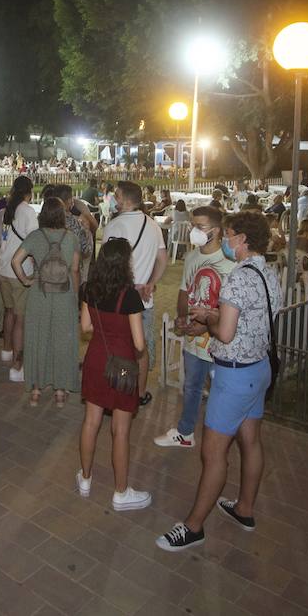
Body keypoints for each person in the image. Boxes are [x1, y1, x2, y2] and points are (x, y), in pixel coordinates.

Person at [157, 211, 280, 552]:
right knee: (251, 441)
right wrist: (216, 314)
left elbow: (225, 333)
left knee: (214, 454)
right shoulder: (268, 273)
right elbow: (251, 319)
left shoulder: (239, 277)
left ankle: (193, 526)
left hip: (234, 374)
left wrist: (209, 322)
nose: (224, 240)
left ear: (241, 239)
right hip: (259, 369)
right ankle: (245, 508)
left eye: (228, 235)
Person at [77, 239, 150, 510]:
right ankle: (121, 492)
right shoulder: (129, 296)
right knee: (120, 430)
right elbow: (140, 344)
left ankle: (85, 478)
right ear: (124, 263)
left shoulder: (89, 289)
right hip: (122, 365)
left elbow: (85, 327)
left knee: (90, 422)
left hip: (95, 359)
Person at [155, 207, 236, 449]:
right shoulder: (191, 257)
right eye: (192, 226)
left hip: (219, 341)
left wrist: (207, 327)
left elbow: (234, 307)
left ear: (216, 231)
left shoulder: (230, 262)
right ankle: (185, 432)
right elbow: (184, 291)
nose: (194, 232)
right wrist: (182, 319)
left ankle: (221, 439)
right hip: (194, 338)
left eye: (200, 227)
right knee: (191, 386)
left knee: (221, 391)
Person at [103, 180, 169, 406]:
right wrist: (151, 282)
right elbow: (163, 259)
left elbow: (107, 264)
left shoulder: (115, 226)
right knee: (141, 348)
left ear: (125, 198)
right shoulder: (152, 225)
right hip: (144, 299)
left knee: (119, 346)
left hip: (119, 299)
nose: (114, 199)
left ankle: (119, 388)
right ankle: (139, 393)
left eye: (116, 195)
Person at [10, 197, 80, 407]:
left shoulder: (35, 236)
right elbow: (75, 270)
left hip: (38, 294)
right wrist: (75, 297)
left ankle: (36, 391)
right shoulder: (71, 237)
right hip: (64, 294)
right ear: (61, 214)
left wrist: (26, 280)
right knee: (62, 340)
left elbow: (15, 261)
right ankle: (60, 391)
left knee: (37, 339)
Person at [0, 176, 37, 380]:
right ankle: (18, 366)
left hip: (3, 268)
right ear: (28, 192)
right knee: (21, 317)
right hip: (20, 271)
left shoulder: (5, 211)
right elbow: (35, 241)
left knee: (9, 311)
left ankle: (6, 350)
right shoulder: (27, 211)